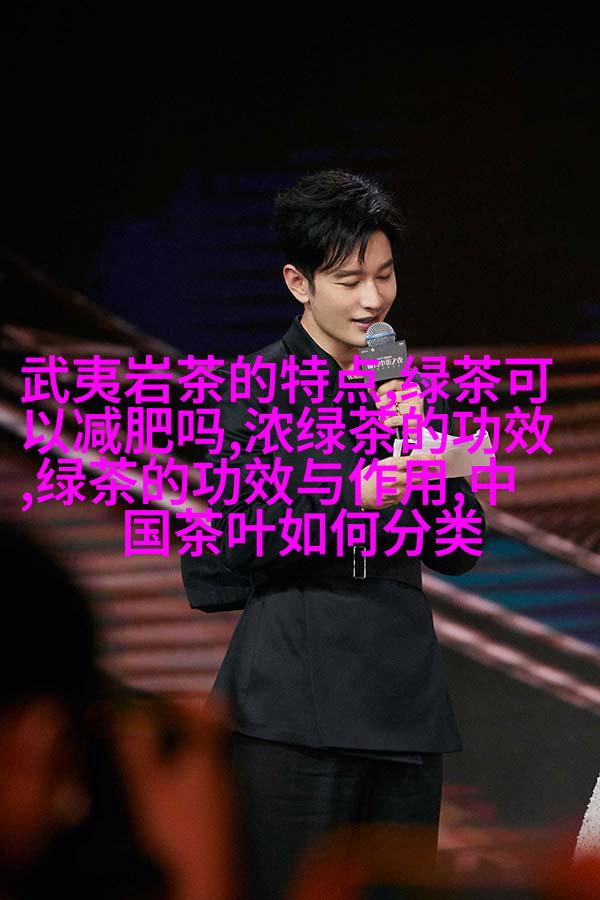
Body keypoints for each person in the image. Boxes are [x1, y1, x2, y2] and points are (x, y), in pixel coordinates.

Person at [185, 169, 487, 900]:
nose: (373, 299)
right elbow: (227, 543)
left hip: (403, 703)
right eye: (350, 280)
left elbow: (459, 549)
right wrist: (353, 494)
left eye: (384, 275)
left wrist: (423, 447)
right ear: (299, 282)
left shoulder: (404, 385)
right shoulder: (251, 387)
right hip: (295, 703)